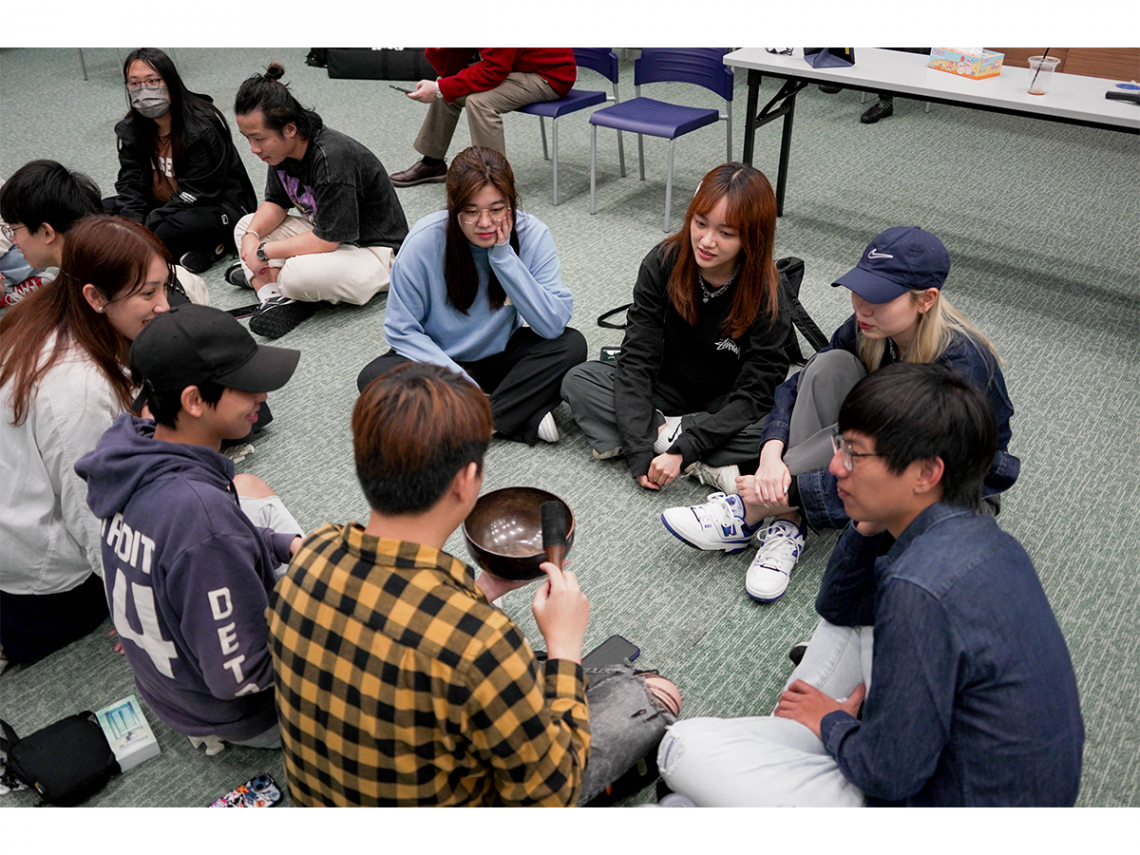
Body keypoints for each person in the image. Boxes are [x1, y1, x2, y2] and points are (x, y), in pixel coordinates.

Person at [656, 363, 1084, 807]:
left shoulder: (919, 586)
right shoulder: (978, 538)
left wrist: (831, 722)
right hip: (953, 765)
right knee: (696, 789)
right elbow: (839, 609)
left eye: (855, 454)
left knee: (679, 749)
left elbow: (891, 775)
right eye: (839, 444)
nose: (835, 466)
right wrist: (865, 526)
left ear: (925, 474)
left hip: (932, 797)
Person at [268, 362, 681, 805]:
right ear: (467, 480)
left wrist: (481, 590)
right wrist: (564, 644)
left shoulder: (314, 550)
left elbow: (387, 628)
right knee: (657, 692)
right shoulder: (480, 640)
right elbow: (550, 790)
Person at [661, 226, 1018, 603]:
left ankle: (755, 510)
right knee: (829, 365)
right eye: (859, 290)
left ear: (926, 300)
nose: (862, 306)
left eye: (879, 298)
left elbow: (910, 470)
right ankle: (787, 522)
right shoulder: (870, 328)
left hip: (947, 489)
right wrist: (770, 456)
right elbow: (798, 387)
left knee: (913, 558)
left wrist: (787, 490)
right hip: (870, 448)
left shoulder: (961, 366)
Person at [75, 304, 303, 751]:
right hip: (249, 713)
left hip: (173, 691)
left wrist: (279, 545)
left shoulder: (128, 447)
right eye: (248, 386)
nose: (263, 397)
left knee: (247, 486)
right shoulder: (202, 521)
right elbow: (242, 676)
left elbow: (185, 554)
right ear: (194, 400)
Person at [0, 215, 172, 672]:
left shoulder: (46, 311)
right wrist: (134, 606)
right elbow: (93, 510)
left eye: (163, 287)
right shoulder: (76, 388)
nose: (164, 305)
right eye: (148, 293)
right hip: (48, 578)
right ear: (94, 296)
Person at [561, 162, 792, 494]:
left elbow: (755, 395)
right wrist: (641, 453)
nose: (707, 241)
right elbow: (637, 358)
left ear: (752, 237)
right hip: (665, 389)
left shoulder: (769, 294)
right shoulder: (662, 262)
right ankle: (689, 453)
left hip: (725, 404)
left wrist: (685, 445)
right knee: (579, 380)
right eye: (700, 224)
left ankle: (670, 441)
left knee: (785, 427)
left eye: (725, 233)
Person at [357, 146, 586, 445]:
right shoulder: (424, 241)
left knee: (571, 345)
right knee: (373, 379)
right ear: (454, 207)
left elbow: (552, 325)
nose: (486, 223)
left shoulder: (534, 234)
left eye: (497, 209)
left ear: (511, 204)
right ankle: (520, 412)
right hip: (437, 360)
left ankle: (476, 423)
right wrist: (459, 380)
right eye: (471, 211)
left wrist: (504, 258)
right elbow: (402, 331)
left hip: (499, 357)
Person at [229, 63, 408, 339]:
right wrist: (253, 236)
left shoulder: (330, 158)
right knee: (244, 226)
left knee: (297, 273)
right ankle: (275, 298)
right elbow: (276, 203)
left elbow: (328, 240)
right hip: (330, 237)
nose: (254, 149)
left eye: (258, 138)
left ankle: (275, 281)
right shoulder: (281, 152)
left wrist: (264, 253)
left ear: (289, 129)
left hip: (374, 251)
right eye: (247, 139)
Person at [103, 48, 258, 275]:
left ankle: (204, 247)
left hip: (212, 206)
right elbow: (130, 183)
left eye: (153, 81)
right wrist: (133, 222)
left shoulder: (201, 127)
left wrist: (143, 227)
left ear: (171, 82)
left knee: (165, 230)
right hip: (163, 205)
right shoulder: (132, 129)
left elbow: (199, 193)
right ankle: (197, 252)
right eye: (134, 83)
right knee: (97, 213)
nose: (143, 90)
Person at [1, 159, 210, 306]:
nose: (14, 241)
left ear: (47, 232)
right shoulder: (177, 275)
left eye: (13, 230)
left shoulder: (73, 305)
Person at [388, 48, 576, 187]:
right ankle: (432, 163)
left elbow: (494, 70)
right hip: (514, 67)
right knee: (446, 87)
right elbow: (451, 69)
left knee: (479, 102)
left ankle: (495, 181)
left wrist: (438, 88)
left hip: (549, 74)